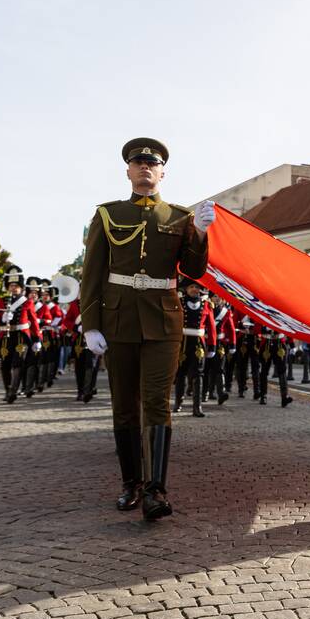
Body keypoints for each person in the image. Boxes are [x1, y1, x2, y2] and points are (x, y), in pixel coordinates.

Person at [79, 137, 212, 520]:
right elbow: (92, 275)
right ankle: (131, 484)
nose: (144, 168)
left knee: (156, 402)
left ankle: (156, 491)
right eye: (138, 163)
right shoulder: (107, 214)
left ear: (162, 172)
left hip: (162, 321)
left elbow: (194, 270)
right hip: (117, 321)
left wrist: (201, 235)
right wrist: (91, 325)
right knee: (124, 406)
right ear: (128, 170)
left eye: (151, 164)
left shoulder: (179, 217)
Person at [0, 266, 42, 403]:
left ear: (21, 287)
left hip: (21, 337)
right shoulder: (1, 301)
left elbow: (33, 322)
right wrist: (2, 318)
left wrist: (37, 339)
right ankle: (8, 390)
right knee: (5, 365)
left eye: (16, 286)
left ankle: (13, 391)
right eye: (11, 285)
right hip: (6, 336)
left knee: (17, 364)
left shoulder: (27, 302)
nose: (14, 288)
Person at [173, 279, 217, 418]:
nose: (194, 289)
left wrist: (212, 346)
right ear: (186, 289)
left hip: (199, 343)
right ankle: (178, 403)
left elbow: (212, 327)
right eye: (191, 287)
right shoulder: (179, 302)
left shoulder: (206, 305)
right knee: (180, 373)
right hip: (183, 342)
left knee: (198, 375)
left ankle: (197, 407)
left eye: (197, 287)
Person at [257, 322, 293, 407]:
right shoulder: (262, 311)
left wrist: (291, 342)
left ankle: (284, 397)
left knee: (282, 371)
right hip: (266, 344)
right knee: (264, 371)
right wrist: (263, 330)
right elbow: (257, 327)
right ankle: (263, 395)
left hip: (280, 343)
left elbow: (288, 324)